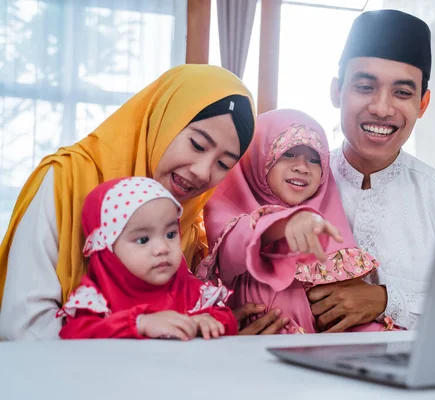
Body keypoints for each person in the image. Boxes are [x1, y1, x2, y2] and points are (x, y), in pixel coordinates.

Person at [0, 64, 286, 340]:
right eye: (197, 145)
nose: (202, 172)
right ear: (162, 121)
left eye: (223, 164)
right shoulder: (66, 179)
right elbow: (25, 326)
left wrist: (216, 335)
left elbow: (184, 315)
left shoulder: (186, 226)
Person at [306, 9, 435, 331]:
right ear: (336, 91)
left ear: (422, 104)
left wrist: (385, 300)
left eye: (402, 93)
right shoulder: (294, 182)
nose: (382, 108)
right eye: (364, 86)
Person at [201, 109, 395, 333]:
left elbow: (339, 317)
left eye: (314, 160)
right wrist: (284, 224)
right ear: (258, 156)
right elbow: (235, 244)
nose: (302, 167)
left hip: (310, 359)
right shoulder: (230, 212)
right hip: (249, 358)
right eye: (288, 154)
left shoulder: (323, 231)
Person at [59, 177, 237, 340]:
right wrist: (140, 323)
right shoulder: (97, 299)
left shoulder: (187, 288)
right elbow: (74, 333)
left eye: (170, 234)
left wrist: (205, 321)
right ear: (107, 249)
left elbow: (227, 318)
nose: (162, 249)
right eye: (143, 239)